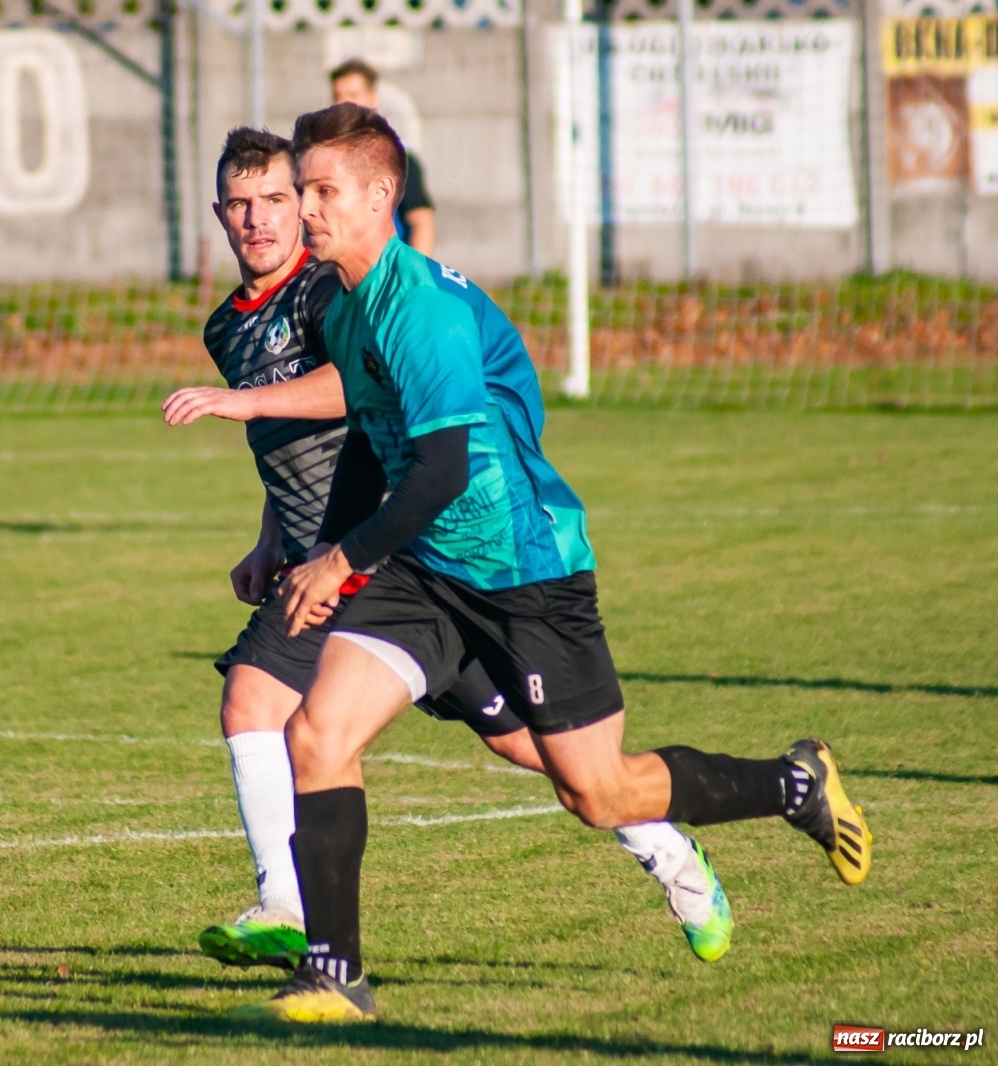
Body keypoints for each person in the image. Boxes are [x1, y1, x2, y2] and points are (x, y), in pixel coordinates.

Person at [237, 104, 871, 1023]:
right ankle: (334, 974)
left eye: (324, 191)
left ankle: (795, 783)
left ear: (384, 196)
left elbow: (447, 470)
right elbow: (376, 451)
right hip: (422, 569)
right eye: (305, 191)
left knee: (599, 791)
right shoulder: (340, 305)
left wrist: (340, 558)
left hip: (524, 569)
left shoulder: (423, 313)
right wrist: (316, 555)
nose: (308, 209)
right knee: (316, 734)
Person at [162, 128, 733, 976]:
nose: (263, 220)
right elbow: (292, 448)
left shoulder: (332, 291)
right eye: (241, 205)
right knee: (512, 740)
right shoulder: (228, 326)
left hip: (390, 549)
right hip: (343, 552)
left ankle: (290, 909)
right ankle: (667, 852)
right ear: (218, 215)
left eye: (281, 199)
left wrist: (245, 405)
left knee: (256, 700)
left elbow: (353, 394)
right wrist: (271, 535)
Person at [329, 59, 435, 256]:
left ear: (373, 99)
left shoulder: (399, 159)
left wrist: (412, 279)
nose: (343, 103)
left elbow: (422, 224)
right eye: (337, 95)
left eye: (353, 95)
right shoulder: (325, 160)